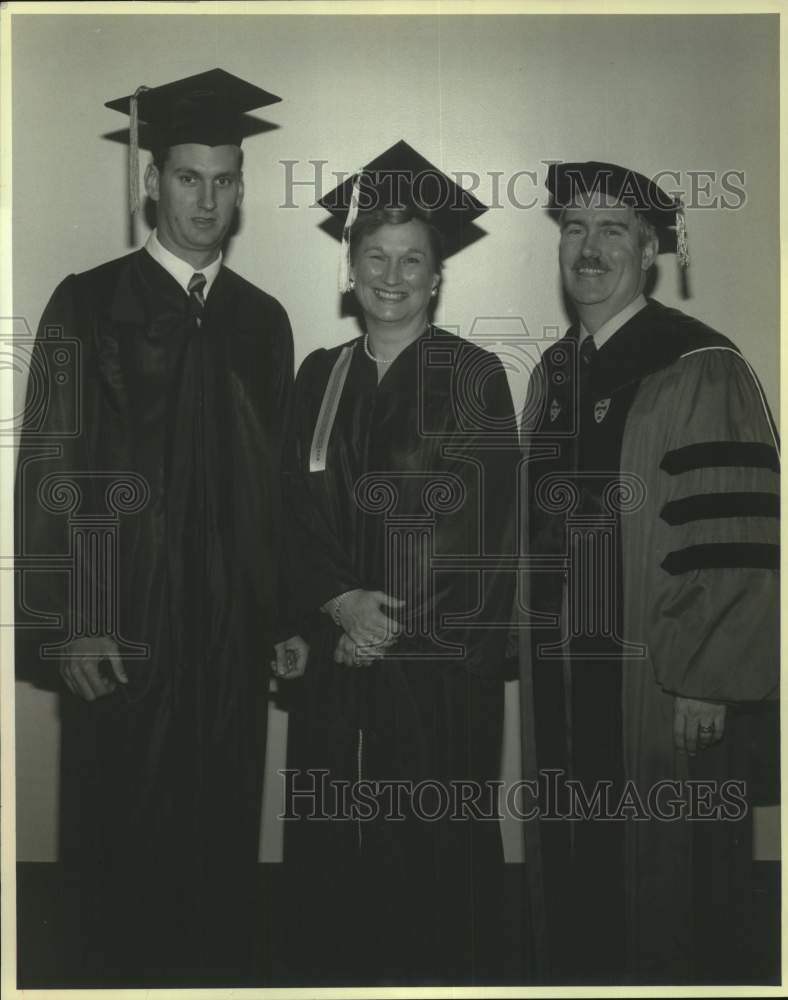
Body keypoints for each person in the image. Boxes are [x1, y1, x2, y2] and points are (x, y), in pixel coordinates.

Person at [14, 69, 307, 986]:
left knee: (221, 842)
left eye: (225, 179)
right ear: (152, 182)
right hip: (122, 627)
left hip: (226, 634)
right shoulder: (90, 304)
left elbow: (280, 492)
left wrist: (286, 614)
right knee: (119, 840)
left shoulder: (263, 323)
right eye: (189, 177)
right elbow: (51, 471)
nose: (207, 198)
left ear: (242, 188)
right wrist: (70, 620)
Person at [519, 161, 779, 984]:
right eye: (574, 229)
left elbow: (732, 533)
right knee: (573, 869)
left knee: (670, 884)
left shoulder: (701, 364)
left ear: (651, 249)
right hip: (564, 676)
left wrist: (708, 677)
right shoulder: (552, 377)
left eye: (612, 231)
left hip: (659, 686)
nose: (589, 249)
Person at [280, 140, 519, 985]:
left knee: (424, 852)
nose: (392, 275)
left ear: (437, 277)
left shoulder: (474, 376)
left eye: (412, 260)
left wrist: (381, 622)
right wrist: (332, 602)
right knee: (330, 848)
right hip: (332, 657)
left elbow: (478, 528)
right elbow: (294, 513)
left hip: (431, 670)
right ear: (349, 270)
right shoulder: (319, 375)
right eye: (374, 258)